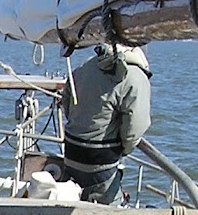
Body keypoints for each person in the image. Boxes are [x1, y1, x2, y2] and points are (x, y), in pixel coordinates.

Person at [61, 41, 152, 204]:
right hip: (100, 161)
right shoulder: (135, 77)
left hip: (71, 151)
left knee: (76, 199)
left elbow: (67, 102)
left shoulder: (85, 66)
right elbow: (135, 128)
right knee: (108, 208)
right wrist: (124, 149)